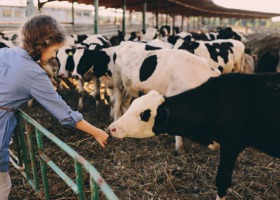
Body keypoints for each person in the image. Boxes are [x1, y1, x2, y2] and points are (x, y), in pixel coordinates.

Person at [0, 14, 109, 199]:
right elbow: (65, 114)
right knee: (3, 186)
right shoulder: (35, 74)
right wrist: (96, 131)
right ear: (43, 43)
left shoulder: (4, 53)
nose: (55, 55)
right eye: (55, 49)